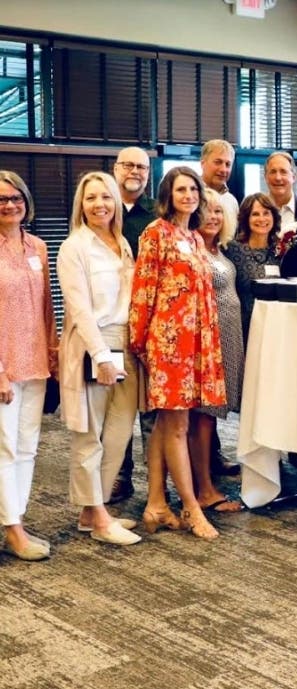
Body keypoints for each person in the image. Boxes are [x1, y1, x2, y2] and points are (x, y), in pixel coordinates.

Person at [129, 166, 225, 540]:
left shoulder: (195, 238)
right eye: (181, 189)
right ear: (167, 196)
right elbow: (144, 289)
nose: (188, 195)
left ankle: (156, 503)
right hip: (167, 343)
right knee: (178, 426)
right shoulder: (156, 234)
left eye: (193, 190)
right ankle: (192, 507)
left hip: (196, 343)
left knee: (166, 425)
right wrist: (140, 343)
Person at [57, 172, 141, 546]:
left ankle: (95, 510)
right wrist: (101, 355)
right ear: (81, 204)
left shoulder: (120, 242)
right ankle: (97, 513)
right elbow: (79, 310)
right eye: (91, 198)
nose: (99, 205)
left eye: (105, 197)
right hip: (95, 345)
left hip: (126, 342)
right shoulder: (75, 247)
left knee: (120, 430)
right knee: (88, 434)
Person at [0, 171, 57, 560]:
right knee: (5, 448)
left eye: (15, 198)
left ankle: (15, 516)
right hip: (4, 364)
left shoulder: (37, 246)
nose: (9, 205)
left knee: (27, 447)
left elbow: (47, 309)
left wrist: (54, 355)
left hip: (36, 359)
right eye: (1, 200)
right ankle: (14, 530)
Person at [188, 188, 245, 513]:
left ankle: (205, 481)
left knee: (212, 416)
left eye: (218, 211)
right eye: (207, 210)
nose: (213, 216)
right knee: (204, 417)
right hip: (206, 342)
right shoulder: (194, 252)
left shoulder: (220, 250)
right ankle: (203, 489)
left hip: (229, 338)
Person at [111, 146, 157, 503]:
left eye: (142, 166)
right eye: (129, 164)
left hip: (152, 323)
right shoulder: (100, 209)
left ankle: (157, 483)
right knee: (116, 402)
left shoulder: (156, 214)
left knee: (152, 408)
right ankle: (118, 476)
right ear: (116, 168)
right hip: (110, 324)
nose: (136, 171)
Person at [224, 192, 282, 342]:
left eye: (266, 213)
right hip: (243, 328)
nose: (262, 219)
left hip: (275, 326)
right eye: (255, 214)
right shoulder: (231, 249)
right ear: (246, 219)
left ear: (274, 217)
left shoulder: (281, 250)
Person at [200, 139, 238, 234]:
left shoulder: (231, 201)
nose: (223, 169)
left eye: (228, 164)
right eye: (218, 162)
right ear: (203, 163)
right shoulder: (191, 197)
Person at [264, 151, 297, 235]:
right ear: (265, 177)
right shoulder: (255, 209)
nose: (278, 178)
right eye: (273, 172)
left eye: (283, 172)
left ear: (294, 177)